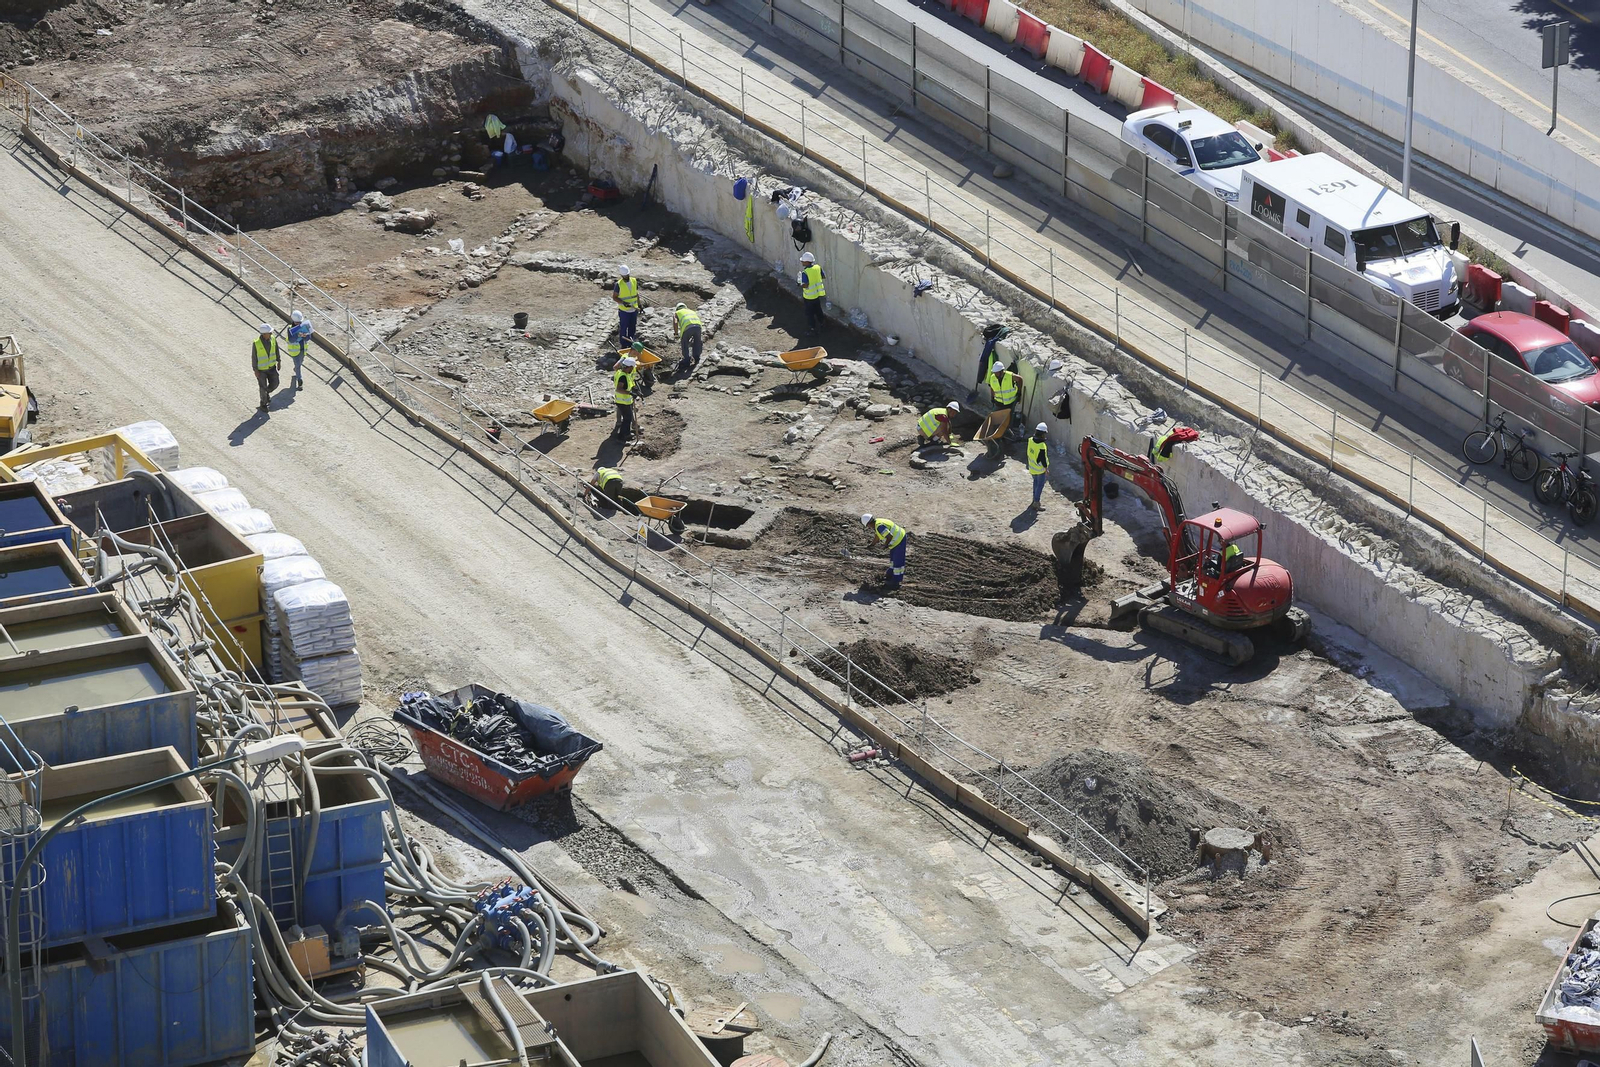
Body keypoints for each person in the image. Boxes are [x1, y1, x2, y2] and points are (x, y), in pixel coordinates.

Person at [860, 513, 908, 589]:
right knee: (893, 559)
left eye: (867, 526)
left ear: (868, 524)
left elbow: (889, 536)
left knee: (898, 561)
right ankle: (890, 573)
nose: (868, 528)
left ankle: (896, 582)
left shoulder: (879, 526)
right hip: (897, 540)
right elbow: (877, 536)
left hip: (900, 540)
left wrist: (885, 545)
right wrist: (872, 545)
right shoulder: (877, 523)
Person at [251, 323, 280, 413]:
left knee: (275, 383)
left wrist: (279, 361)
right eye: (269, 333)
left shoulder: (273, 339)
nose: (271, 334)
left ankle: (266, 393)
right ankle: (263, 404)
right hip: (261, 370)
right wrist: (255, 370)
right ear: (264, 334)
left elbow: (276, 350)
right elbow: (254, 357)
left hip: (271, 368)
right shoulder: (256, 343)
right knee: (262, 387)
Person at [797, 252, 826, 336]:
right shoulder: (818, 267)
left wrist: (799, 284)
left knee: (809, 314)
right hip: (817, 295)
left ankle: (812, 329)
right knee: (818, 310)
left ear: (807, 262)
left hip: (809, 297)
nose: (802, 262)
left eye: (803, 261)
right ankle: (822, 323)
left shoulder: (805, 272)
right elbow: (823, 276)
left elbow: (805, 285)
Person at [612, 355, 639, 439]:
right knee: (627, 418)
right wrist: (630, 393)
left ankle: (626, 433)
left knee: (628, 417)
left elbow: (629, 383)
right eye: (632, 368)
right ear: (629, 367)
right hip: (623, 401)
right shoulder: (623, 376)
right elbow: (619, 389)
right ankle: (623, 435)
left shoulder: (621, 372)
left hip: (623, 400)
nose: (632, 369)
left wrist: (634, 388)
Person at [673, 302, 703, 376]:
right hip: (698, 327)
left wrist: (676, 333)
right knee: (697, 342)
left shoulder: (677, 313)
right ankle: (696, 357)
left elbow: (675, 322)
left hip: (687, 327)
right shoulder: (691, 311)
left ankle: (686, 361)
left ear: (677, 308)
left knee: (684, 343)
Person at [613, 265, 641, 347]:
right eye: (624, 275)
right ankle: (624, 345)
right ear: (621, 275)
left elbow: (636, 294)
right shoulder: (618, 284)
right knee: (624, 328)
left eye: (626, 275)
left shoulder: (634, 281)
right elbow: (615, 297)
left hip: (634, 310)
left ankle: (631, 343)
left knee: (632, 327)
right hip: (624, 311)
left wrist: (639, 305)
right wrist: (623, 302)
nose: (625, 276)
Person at [286, 309, 313, 390]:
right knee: (298, 365)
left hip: (302, 350)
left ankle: (296, 370)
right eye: (296, 322)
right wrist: (298, 335)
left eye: (299, 322)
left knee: (299, 363)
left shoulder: (305, 326)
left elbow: (309, 337)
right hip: (294, 352)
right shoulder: (290, 329)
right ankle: (300, 380)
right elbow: (291, 340)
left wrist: (305, 336)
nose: (298, 324)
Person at [1026, 423, 1049, 511]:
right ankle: (1036, 502)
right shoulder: (1041, 445)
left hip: (1032, 468)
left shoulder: (1030, 440)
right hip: (1040, 470)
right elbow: (1042, 459)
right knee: (1040, 485)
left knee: (1035, 483)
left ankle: (1034, 500)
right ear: (1043, 434)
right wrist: (1046, 468)